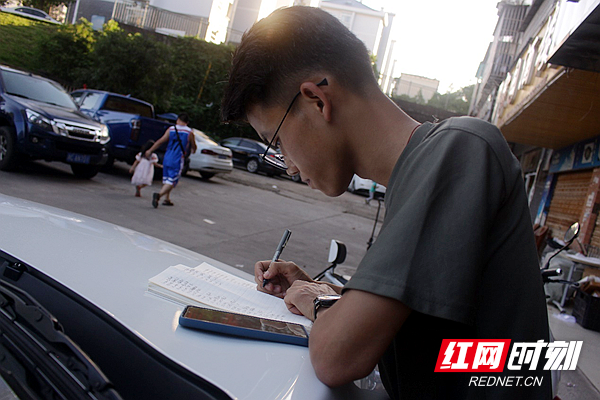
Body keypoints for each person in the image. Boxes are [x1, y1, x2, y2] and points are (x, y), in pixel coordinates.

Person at [220, 6, 551, 400]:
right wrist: (323, 292)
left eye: (276, 141)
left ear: (316, 100)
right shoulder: (418, 174)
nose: (287, 164)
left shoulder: (462, 148)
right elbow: (417, 323)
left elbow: (336, 357)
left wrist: (320, 303)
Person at [145, 113, 196, 208]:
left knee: (167, 178)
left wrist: (150, 150)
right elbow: (193, 146)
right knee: (173, 180)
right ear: (187, 122)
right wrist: (193, 150)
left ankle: (167, 199)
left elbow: (160, 141)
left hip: (167, 156)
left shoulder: (171, 129)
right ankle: (159, 195)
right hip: (178, 158)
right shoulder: (189, 132)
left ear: (178, 120)